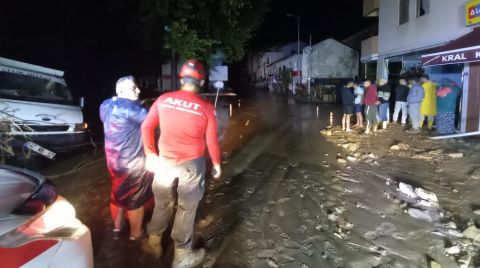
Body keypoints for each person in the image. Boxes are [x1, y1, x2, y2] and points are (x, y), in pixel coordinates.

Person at [141, 59, 221, 267]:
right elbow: (211, 140)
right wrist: (217, 164)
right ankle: (181, 255)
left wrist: (150, 154)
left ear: (181, 79)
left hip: (164, 162)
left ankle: (154, 242)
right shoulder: (206, 108)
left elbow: (146, 127)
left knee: (163, 203)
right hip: (191, 166)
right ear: (201, 82)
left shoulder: (163, 99)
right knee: (186, 208)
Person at [99, 76, 153, 242]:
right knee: (135, 200)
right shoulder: (135, 110)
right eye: (133, 88)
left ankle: (117, 228)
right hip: (133, 165)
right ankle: (135, 234)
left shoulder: (105, 105)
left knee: (117, 193)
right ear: (121, 91)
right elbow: (154, 121)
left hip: (113, 161)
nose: (138, 90)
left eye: (137, 87)